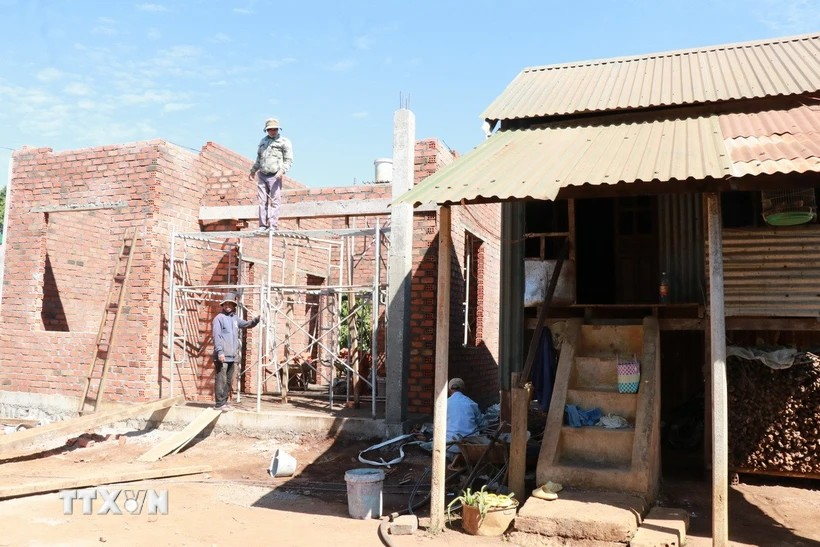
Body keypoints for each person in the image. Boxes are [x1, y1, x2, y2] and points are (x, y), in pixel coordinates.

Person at [212, 292, 260, 411]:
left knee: (229, 381)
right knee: (221, 380)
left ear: (234, 306)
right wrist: (220, 352)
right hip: (222, 356)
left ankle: (224, 402)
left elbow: (246, 324)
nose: (228, 306)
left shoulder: (235, 318)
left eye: (230, 304)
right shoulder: (219, 318)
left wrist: (256, 320)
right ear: (223, 305)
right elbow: (217, 336)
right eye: (226, 304)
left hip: (232, 356)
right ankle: (219, 404)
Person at [249, 118, 293, 231]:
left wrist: (282, 171)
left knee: (275, 200)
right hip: (262, 175)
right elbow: (259, 158)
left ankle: (273, 225)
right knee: (262, 201)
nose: (273, 131)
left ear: (278, 129)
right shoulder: (263, 141)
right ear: (266, 130)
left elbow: (288, 160)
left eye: (275, 129)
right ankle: (262, 225)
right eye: (270, 129)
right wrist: (253, 171)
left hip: (275, 175)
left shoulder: (284, 142)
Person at [446, 377, 487, 469]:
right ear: (463, 389)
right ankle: (462, 457)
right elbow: (483, 425)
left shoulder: (444, 404)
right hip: (470, 445)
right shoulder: (471, 403)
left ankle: (456, 458)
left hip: (449, 445)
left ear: (449, 390)